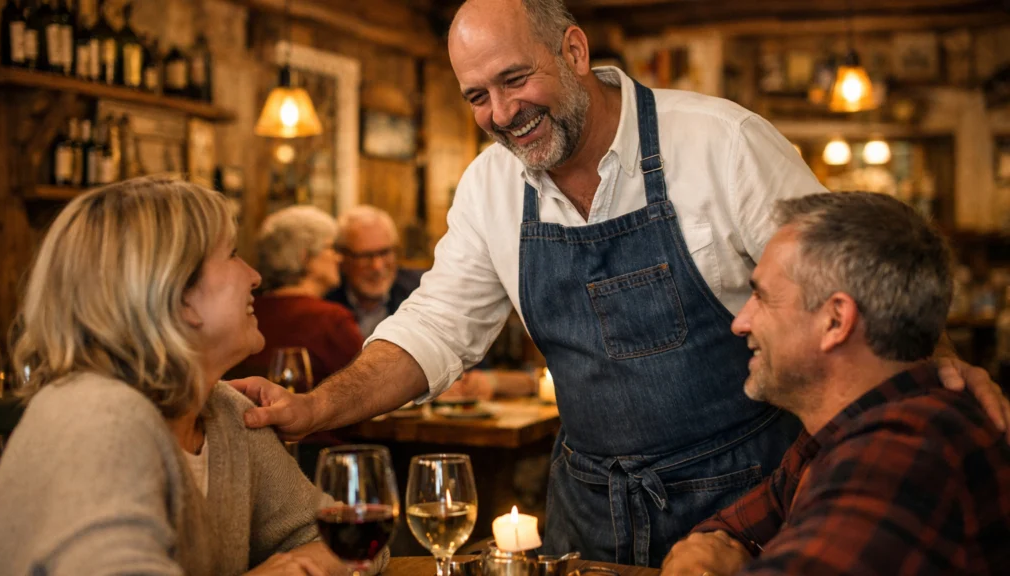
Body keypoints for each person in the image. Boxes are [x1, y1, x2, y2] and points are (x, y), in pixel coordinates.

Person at [231, 0, 1009, 567]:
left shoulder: (717, 142)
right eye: (476, 97)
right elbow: (436, 326)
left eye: (513, 79)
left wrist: (927, 372)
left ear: (572, 50)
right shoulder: (490, 187)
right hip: (588, 508)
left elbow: (843, 274)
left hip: (746, 502)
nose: (500, 115)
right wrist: (316, 405)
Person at [0, 177, 388, 576]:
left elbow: (351, 539)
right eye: (232, 254)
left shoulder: (225, 412)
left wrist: (300, 564)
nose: (254, 276)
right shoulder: (93, 420)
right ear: (176, 294)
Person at [660, 192, 1010, 576]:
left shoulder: (905, 454)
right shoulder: (836, 433)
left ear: (835, 320)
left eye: (761, 297)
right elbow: (716, 536)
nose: (741, 322)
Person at [237, 205, 362, 386]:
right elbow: (368, 387)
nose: (338, 258)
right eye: (330, 248)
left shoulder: (246, 312)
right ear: (305, 257)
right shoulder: (331, 320)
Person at [325, 205, 424, 339]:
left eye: (384, 252)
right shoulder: (325, 304)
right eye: (365, 256)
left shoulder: (421, 293)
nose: (377, 267)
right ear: (342, 257)